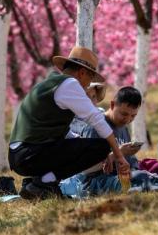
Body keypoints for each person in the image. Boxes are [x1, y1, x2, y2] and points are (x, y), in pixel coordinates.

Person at [8, 46, 130, 200]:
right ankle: (43, 183)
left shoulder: (50, 84)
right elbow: (96, 118)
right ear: (82, 72)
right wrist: (118, 155)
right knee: (101, 146)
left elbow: (61, 132)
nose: (88, 85)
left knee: (83, 146)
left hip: (20, 154)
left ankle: (36, 183)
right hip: (30, 154)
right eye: (90, 79)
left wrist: (82, 146)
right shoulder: (70, 84)